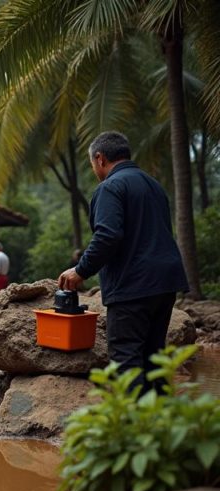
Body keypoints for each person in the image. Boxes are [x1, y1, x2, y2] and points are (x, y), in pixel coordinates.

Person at [59, 131, 189, 395]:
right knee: (154, 357)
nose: (94, 169)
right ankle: (161, 425)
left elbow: (108, 235)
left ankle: (135, 430)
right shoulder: (153, 185)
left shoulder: (111, 187)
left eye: (92, 163)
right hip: (165, 284)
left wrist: (80, 270)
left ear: (100, 158)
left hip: (133, 285)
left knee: (126, 358)